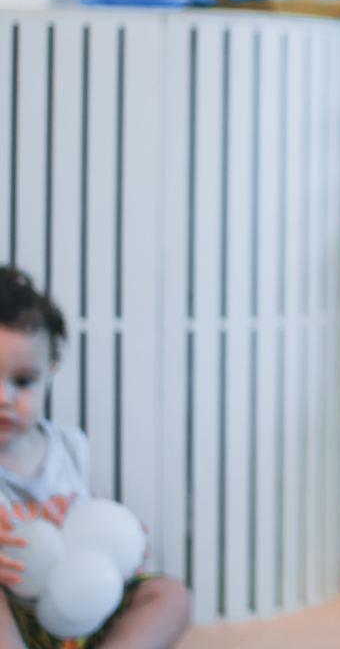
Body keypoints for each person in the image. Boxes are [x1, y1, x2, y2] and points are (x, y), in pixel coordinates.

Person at [0, 268, 190, 649]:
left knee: (170, 595)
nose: (4, 398)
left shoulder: (70, 447)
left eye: (22, 381)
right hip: (15, 616)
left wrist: (125, 544)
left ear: (48, 373)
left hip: (86, 605)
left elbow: (99, 514)